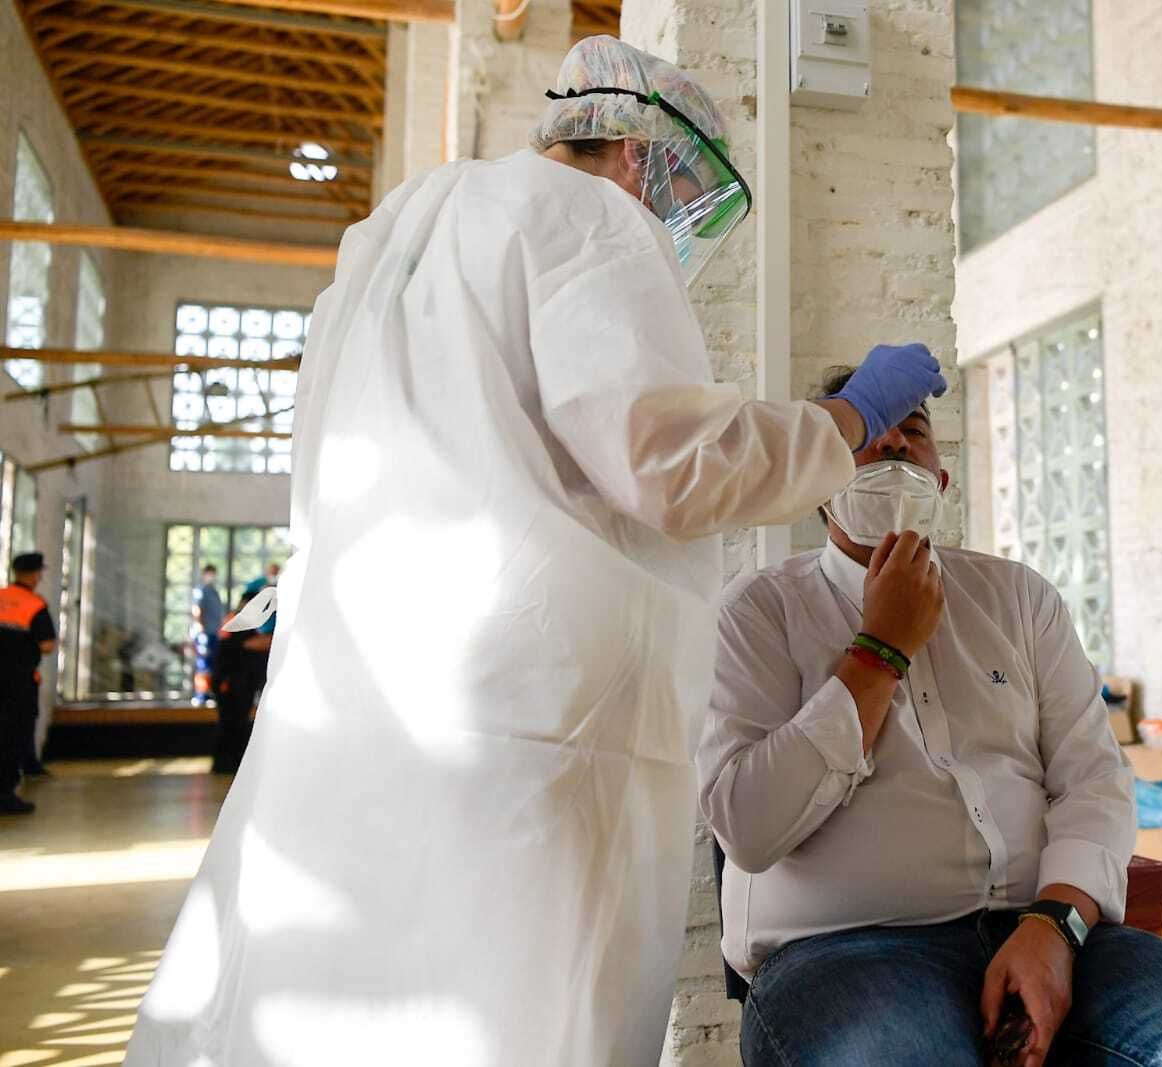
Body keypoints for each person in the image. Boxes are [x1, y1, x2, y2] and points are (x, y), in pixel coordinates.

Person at [126, 35, 945, 1067]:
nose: (680, 226)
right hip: (527, 711)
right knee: (517, 1008)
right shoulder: (590, 218)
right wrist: (845, 418)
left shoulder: (399, 238)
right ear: (644, 155)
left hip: (366, 689)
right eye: (689, 191)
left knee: (341, 994)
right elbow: (671, 461)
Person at [697, 366, 1162, 1067]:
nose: (896, 443)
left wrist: (1054, 923)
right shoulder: (757, 612)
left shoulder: (1018, 598)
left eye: (915, 431)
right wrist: (879, 651)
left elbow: (1093, 778)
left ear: (941, 480)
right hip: (847, 953)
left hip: (1049, 931)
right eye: (869, 430)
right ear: (818, 482)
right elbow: (747, 828)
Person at [0, 553, 56, 815]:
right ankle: (5, 794)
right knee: (14, 735)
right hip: (19, 682)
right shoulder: (35, 604)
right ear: (35, 575)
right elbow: (47, 644)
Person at [210, 592, 270, 775]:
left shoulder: (247, 623)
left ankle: (233, 762)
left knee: (238, 723)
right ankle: (225, 764)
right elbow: (250, 644)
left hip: (240, 683)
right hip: (230, 683)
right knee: (231, 723)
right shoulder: (235, 622)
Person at [191, 564, 224, 701]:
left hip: (214, 633)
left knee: (212, 665)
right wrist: (201, 628)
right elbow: (197, 610)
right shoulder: (201, 591)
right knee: (203, 665)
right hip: (204, 634)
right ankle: (201, 695)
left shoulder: (213, 591)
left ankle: (210, 692)